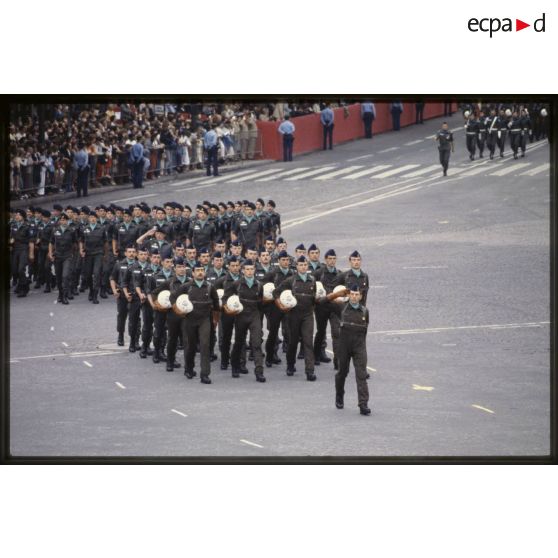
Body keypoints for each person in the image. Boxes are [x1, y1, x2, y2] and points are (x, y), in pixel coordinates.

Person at [170, 261, 220, 383]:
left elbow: (216, 304)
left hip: (205, 320)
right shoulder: (186, 287)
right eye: (197, 270)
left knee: (205, 345)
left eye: (202, 270)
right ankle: (189, 369)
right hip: (189, 320)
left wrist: (215, 320)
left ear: (205, 272)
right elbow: (172, 298)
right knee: (190, 346)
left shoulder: (210, 286)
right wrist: (178, 310)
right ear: (192, 273)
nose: (200, 272)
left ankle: (205, 374)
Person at [273, 255, 318, 381]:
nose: (303, 267)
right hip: (293, 315)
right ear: (297, 267)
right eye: (300, 265)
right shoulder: (290, 281)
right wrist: (281, 306)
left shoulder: (312, 280)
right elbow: (275, 293)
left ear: (307, 266)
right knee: (292, 342)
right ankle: (290, 365)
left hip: (308, 315)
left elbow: (314, 298)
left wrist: (311, 310)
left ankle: (310, 371)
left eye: (305, 265)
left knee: (308, 342)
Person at [224, 259, 266, 382]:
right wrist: (228, 310)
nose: (249, 271)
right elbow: (226, 299)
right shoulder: (236, 284)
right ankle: (235, 366)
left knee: (256, 343)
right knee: (239, 343)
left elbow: (261, 303)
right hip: (241, 316)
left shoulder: (259, 285)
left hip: (254, 316)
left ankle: (259, 371)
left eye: (251, 269)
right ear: (242, 271)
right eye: (247, 269)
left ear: (254, 270)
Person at [335, 285, 371, 416]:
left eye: (357, 294)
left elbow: (365, 330)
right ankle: (339, 395)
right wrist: (336, 295)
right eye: (353, 294)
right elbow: (323, 302)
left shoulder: (365, 311)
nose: (355, 297)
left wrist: (361, 345)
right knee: (342, 373)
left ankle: (363, 404)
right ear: (349, 295)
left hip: (359, 347)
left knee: (361, 376)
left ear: (361, 296)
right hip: (344, 347)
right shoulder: (341, 307)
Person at [79, 209, 108, 304]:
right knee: (87, 274)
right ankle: (91, 291)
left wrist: (105, 254)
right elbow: (81, 241)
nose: (92, 219)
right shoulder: (84, 228)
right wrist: (81, 250)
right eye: (90, 217)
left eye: (94, 217)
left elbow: (105, 242)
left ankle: (95, 295)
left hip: (98, 253)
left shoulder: (101, 228)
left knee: (96, 274)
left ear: (96, 218)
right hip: (88, 254)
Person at [48, 212, 77, 304]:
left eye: (64, 220)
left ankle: (64, 296)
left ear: (67, 221)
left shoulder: (71, 230)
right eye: (61, 220)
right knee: (59, 277)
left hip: (67, 256)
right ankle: (60, 294)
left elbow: (75, 243)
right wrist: (50, 253)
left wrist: (73, 253)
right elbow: (51, 243)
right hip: (58, 255)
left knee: (65, 276)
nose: (62, 221)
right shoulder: (55, 230)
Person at [9, 209, 35, 298]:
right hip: (15, 249)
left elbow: (31, 241)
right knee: (14, 270)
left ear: (23, 216)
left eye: (19, 215)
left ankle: (24, 288)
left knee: (21, 269)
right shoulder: (13, 225)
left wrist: (31, 253)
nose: (17, 216)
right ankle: (24, 282)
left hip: (24, 249)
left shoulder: (28, 226)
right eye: (16, 215)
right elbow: (12, 237)